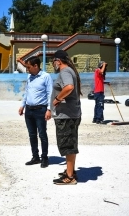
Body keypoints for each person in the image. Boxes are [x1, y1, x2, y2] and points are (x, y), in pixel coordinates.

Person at [50, 50, 82, 185]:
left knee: (68, 145)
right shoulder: (69, 71)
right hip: (70, 114)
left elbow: (69, 87)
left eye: (53, 62)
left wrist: (57, 98)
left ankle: (69, 177)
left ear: (58, 61)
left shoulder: (65, 72)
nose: (53, 65)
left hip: (66, 116)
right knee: (70, 144)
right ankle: (70, 171)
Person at [18, 56, 53, 168]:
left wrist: (49, 110)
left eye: (28, 67)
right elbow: (27, 92)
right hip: (29, 110)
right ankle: (35, 157)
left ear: (36, 66)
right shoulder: (29, 77)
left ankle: (44, 158)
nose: (27, 69)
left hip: (41, 110)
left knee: (42, 134)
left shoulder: (46, 77)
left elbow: (50, 94)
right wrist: (22, 105)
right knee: (32, 135)